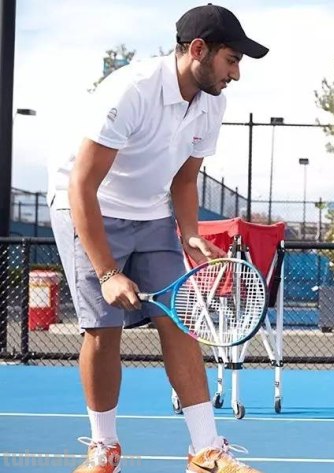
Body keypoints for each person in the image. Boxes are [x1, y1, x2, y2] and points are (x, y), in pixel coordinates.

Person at [47, 4, 269, 473]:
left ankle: (206, 451)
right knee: (103, 330)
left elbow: (185, 180)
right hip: (89, 205)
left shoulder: (213, 102)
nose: (236, 74)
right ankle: (104, 449)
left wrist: (189, 234)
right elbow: (81, 185)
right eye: (232, 60)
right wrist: (108, 272)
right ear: (198, 50)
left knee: (180, 323)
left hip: (150, 213)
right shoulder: (131, 90)